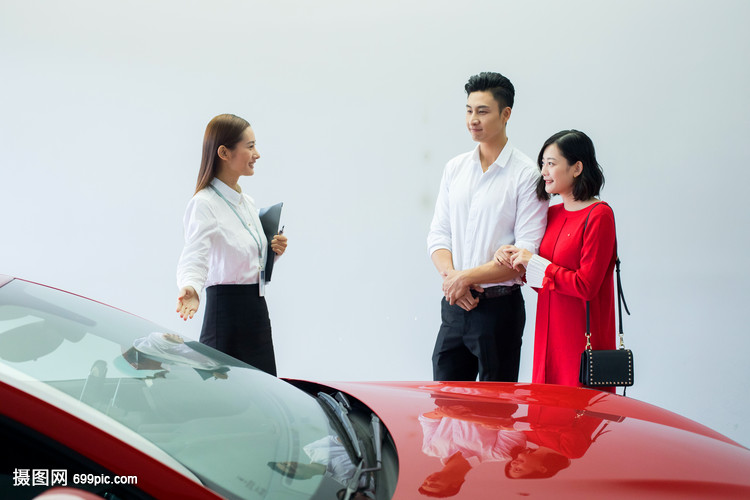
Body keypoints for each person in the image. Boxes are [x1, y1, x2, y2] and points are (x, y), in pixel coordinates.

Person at [427, 72, 548, 382]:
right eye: (469, 110)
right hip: (456, 306)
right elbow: (439, 235)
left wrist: (463, 278)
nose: (473, 119)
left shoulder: (527, 175)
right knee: (446, 407)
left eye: (482, 111)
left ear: (506, 114)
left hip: (499, 311)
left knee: (496, 417)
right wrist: (455, 281)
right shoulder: (455, 168)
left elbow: (524, 257)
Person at [495, 130, 616, 390]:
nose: (544, 172)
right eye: (542, 164)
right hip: (548, 337)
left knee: (579, 421)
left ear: (577, 168)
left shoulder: (599, 215)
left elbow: (587, 286)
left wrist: (536, 263)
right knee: (544, 418)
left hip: (581, 343)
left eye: (551, 163)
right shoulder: (551, 214)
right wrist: (514, 260)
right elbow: (544, 282)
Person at [175, 114, 287, 376]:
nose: (256, 154)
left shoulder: (246, 202)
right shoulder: (204, 203)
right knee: (225, 404)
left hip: (256, 314)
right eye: (250, 146)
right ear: (224, 152)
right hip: (227, 319)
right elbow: (195, 254)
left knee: (264, 399)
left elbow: (242, 257)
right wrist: (190, 287)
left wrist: (271, 252)